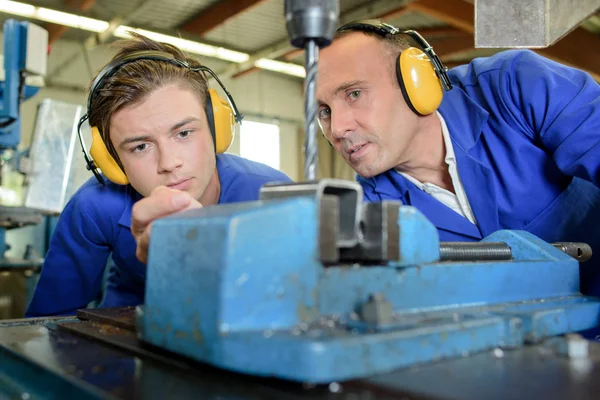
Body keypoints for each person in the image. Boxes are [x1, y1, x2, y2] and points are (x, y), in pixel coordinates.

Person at [315, 20, 600, 295]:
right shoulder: (368, 216)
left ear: (416, 82)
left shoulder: (515, 88)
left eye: (354, 94)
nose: (338, 128)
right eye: (325, 111)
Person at [26, 33, 291, 317]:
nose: (169, 162)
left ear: (217, 127)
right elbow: (47, 323)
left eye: (184, 133)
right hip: (123, 336)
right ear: (113, 161)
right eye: (140, 146)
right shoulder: (93, 208)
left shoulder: (273, 195)